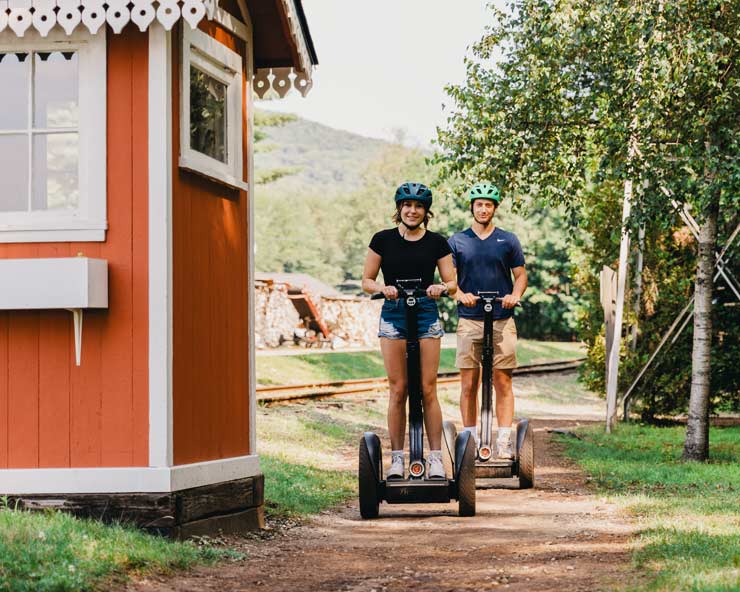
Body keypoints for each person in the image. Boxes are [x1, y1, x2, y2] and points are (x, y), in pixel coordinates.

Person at [362, 182, 457, 479]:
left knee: (428, 388)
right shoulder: (382, 240)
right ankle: (398, 459)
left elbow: (452, 283)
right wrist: (383, 287)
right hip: (394, 314)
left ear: (426, 211)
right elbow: (366, 280)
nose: (412, 211)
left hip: (426, 312)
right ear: (399, 208)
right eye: (407, 205)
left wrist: (440, 287)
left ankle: (436, 459)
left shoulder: (437, 242)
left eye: (418, 206)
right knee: (398, 389)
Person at [448, 183, 527, 458]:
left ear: (495, 208)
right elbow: (450, 281)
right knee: (469, 383)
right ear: (472, 207)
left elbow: (520, 276)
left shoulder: (508, 240)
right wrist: (460, 295)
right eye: (479, 204)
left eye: (488, 205)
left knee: (503, 381)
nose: (483, 209)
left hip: (502, 319)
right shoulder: (457, 241)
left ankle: (504, 440)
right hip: (470, 319)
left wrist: (514, 296)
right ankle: (469, 439)